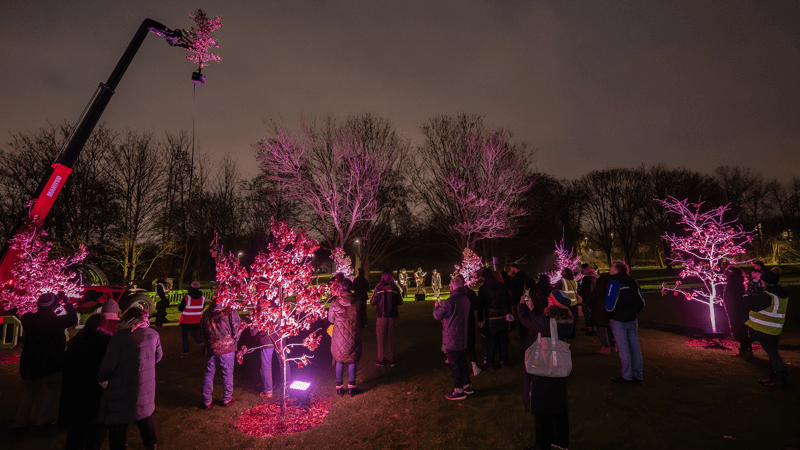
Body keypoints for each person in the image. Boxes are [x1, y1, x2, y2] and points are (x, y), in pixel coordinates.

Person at [12, 293, 78, 434]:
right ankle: (43, 421)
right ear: (54, 306)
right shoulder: (57, 321)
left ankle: (19, 423)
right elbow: (73, 317)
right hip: (52, 364)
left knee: (31, 393)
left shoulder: (28, 319)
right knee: (54, 391)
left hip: (31, 363)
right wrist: (66, 301)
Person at [96, 307, 162, 450]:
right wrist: (145, 367)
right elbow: (158, 356)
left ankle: (118, 446)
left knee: (119, 421)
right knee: (144, 414)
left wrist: (101, 377)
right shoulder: (153, 334)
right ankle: (152, 444)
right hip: (145, 385)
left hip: (121, 386)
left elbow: (109, 364)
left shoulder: (119, 337)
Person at [518, 289, 574, 450]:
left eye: (550, 300)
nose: (547, 301)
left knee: (541, 409)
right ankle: (560, 441)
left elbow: (526, 320)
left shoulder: (545, 321)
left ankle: (542, 444)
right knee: (559, 406)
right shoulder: (567, 319)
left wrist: (521, 306)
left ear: (554, 303)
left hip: (543, 367)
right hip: (559, 369)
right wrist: (532, 308)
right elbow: (542, 323)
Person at [59, 314, 113, 450]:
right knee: (94, 432)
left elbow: (66, 365)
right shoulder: (107, 343)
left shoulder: (76, 342)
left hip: (76, 391)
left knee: (75, 431)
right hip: (96, 392)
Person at [745, 268, 789, 387]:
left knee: (773, 354)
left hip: (764, 330)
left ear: (766, 282)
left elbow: (752, 305)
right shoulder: (780, 295)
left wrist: (746, 295)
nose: (761, 284)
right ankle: (774, 377)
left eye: (762, 282)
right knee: (773, 353)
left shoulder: (767, 296)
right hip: (774, 330)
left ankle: (780, 377)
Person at [433, 275, 473, 400]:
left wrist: (436, 306)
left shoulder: (450, 301)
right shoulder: (465, 298)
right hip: (462, 335)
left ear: (451, 287)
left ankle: (458, 390)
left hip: (452, 337)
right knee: (462, 361)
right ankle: (467, 386)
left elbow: (437, 315)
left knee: (455, 364)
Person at [200, 295, 243, 408]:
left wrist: (207, 343)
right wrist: (234, 340)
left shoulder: (207, 312)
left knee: (209, 374)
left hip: (212, 347)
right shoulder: (229, 311)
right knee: (227, 373)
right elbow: (238, 328)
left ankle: (206, 401)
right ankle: (227, 399)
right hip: (227, 348)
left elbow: (202, 329)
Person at [607, 260, 645, 384]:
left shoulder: (614, 282)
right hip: (632, 318)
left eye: (612, 266)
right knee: (635, 347)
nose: (610, 268)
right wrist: (635, 313)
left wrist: (611, 315)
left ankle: (627, 376)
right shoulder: (633, 282)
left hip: (618, 320)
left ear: (617, 269)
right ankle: (638, 375)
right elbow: (641, 301)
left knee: (623, 348)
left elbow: (609, 305)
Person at [329, 277, 363, 396]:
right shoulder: (357, 302)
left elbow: (330, 319)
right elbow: (361, 319)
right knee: (352, 359)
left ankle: (339, 387)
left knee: (339, 359)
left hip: (339, 335)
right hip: (353, 334)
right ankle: (352, 387)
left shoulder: (335, 301)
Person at [478, 268, 510, 370]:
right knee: (502, 341)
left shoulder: (483, 288)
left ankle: (490, 363)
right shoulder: (502, 286)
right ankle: (503, 360)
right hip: (502, 317)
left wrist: (480, 319)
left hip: (490, 318)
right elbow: (508, 301)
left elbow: (480, 306)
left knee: (490, 341)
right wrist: (508, 313)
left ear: (483, 277)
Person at [370, 269, 402, 367]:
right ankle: (392, 359)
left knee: (380, 338)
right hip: (393, 315)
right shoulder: (395, 288)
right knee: (391, 337)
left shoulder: (378, 288)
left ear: (382, 277)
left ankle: (381, 359)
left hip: (381, 316)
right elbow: (400, 301)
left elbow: (372, 302)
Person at [723, 265, 751, 356]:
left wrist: (731, 308)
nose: (725, 273)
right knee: (741, 329)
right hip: (737, 309)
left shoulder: (733, 283)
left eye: (727, 271)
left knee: (739, 328)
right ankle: (745, 348)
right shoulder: (737, 282)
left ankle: (744, 349)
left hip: (735, 310)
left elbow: (732, 297)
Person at [586, 271, 617, 353]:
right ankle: (613, 346)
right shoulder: (614, 288)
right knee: (610, 328)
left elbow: (591, 300)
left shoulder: (598, 288)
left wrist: (590, 306)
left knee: (601, 329)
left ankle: (606, 347)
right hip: (611, 312)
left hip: (599, 312)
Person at [178, 281, 206, 357]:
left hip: (186, 320)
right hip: (197, 320)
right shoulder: (203, 298)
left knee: (185, 336)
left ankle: (185, 352)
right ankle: (201, 345)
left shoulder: (187, 297)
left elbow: (180, 308)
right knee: (195, 334)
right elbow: (202, 307)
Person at [508, 264, 532, 348]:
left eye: (511, 269)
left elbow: (510, 285)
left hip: (518, 299)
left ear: (513, 268)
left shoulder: (517, 277)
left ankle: (523, 334)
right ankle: (525, 332)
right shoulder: (524, 275)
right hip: (524, 299)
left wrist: (509, 276)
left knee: (520, 316)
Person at [578, 264, 599, 335]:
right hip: (591, 300)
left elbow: (587, 291)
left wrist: (585, 300)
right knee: (590, 314)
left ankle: (594, 330)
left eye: (582, 270)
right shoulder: (594, 278)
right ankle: (592, 328)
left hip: (588, 301)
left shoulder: (588, 279)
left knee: (589, 314)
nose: (581, 271)